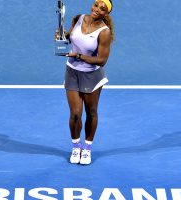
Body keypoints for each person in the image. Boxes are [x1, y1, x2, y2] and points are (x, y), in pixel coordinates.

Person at [59, 0, 114, 165]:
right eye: (96, 5)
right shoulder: (78, 19)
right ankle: (76, 146)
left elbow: (102, 60)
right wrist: (61, 37)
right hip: (72, 73)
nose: (97, 9)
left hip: (92, 76)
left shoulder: (104, 32)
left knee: (91, 112)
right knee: (75, 113)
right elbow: (70, 37)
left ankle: (87, 149)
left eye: (102, 9)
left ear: (106, 14)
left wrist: (79, 56)